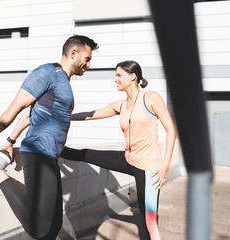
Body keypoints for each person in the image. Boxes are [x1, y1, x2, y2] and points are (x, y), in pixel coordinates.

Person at [0, 35, 98, 240]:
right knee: (39, 228)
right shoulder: (48, 72)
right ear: (73, 53)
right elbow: (15, 108)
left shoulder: (63, 82)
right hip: (38, 152)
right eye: (87, 58)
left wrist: (10, 142)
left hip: (49, 155)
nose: (89, 65)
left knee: (54, 224)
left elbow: (29, 116)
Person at [60, 60, 176, 240]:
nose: (115, 79)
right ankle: (53, 148)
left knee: (149, 223)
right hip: (129, 159)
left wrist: (165, 165)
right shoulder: (121, 105)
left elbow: (171, 129)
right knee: (86, 154)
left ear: (132, 76)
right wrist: (64, 117)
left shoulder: (150, 98)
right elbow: (91, 115)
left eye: (119, 75)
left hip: (149, 169)